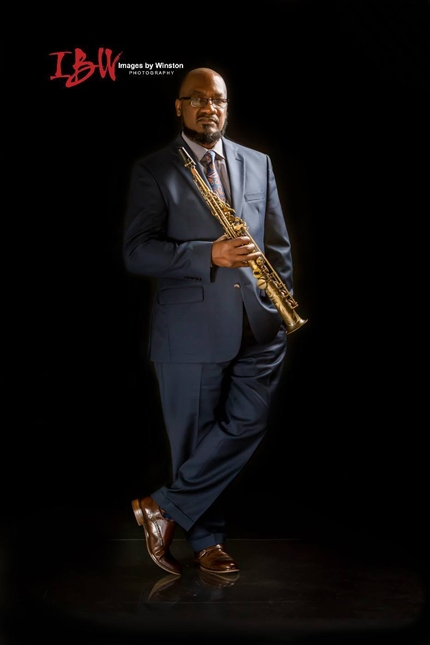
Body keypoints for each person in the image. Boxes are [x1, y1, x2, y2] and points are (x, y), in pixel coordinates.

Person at [123, 67, 296, 576]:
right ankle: (207, 543)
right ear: (179, 107)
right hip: (188, 330)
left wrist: (279, 305)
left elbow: (277, 243)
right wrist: (208, 254)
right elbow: (137, 251)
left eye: (217, 99)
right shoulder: (154, 170)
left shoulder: (258, 163)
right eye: (197, 99)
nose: (209, 108)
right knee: (195, 439)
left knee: (249, 421)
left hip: (258, 324)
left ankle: (160, 508)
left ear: (226, 106)